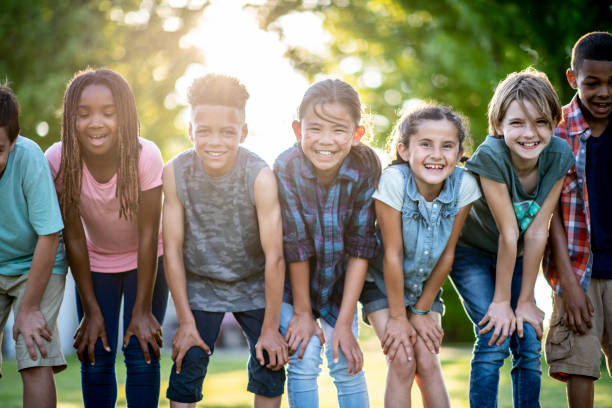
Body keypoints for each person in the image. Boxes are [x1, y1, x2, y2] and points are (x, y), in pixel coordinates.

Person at [449, 68, 574, 408]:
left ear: (554, 123)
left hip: (518, 253)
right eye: (517, 123)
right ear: (499, 124)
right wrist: (503, 303)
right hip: (471, 251)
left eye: (541, 122)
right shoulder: (491, 156)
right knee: (495, 334)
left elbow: (537, 230)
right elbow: (508, 230)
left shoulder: (559, 155)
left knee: (529, 338)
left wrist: (525, 302)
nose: (530, 134)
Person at [163, 74, 287, 408]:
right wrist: (186, 322)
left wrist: (272, 328)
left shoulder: (259, 176)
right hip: (200, 285)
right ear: (191, 130)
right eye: (203, 131)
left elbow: (275, 256)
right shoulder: (175, 172)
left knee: (270, 366)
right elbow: (171, 250)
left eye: (227, 132)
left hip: (254, 284)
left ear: (242, 133)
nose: (214, 141)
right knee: (185, 367)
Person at [46, 68, 168, 408]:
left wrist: (142, 309)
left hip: (148, 260)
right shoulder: (58, 159)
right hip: (95, 262)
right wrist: (91, 309)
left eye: (108, 113)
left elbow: (148, 235)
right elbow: (72, 237)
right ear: (71, 119)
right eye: (83, 114)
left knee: (141, 351)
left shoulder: (146, 155)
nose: (95, 122)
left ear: (124, 116)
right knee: (95, 352)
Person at [361, 104, 481, 407]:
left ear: (459, 153)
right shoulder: (393, 182)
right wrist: (400, 317)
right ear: (403, 150)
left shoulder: (464, 185)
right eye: (425, 144)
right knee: (402, 360)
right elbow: (392, 253)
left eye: (447, 146)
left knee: (427, 361)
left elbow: (448, 252)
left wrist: (423, 309)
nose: (437, 155)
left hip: (425, 285)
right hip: (382, 282)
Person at [274, 79, 381, 408]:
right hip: (294, 285)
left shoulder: (366, 166)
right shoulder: (287, 166)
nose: (325, 141)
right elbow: (295, 243)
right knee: (303, 359)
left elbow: (361, 246)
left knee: (345, 359)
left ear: (357, 134)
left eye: (338, 130)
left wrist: (346, 322)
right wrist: (303, 313)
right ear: (298, 129)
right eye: (315, 128)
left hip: (340, 282)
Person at [543, 31, 612, 408]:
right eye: (593, 83)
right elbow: (547, 211)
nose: (604, 92)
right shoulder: (557, 133)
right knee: (580, 365)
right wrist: (568, 284)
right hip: (578, 273)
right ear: (573, 79)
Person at [0, 84, 67, 408]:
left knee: (33, 350)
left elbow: (50, 235)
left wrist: (28, 309)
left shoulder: (29, 159)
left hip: (36, 262)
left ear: (14, 141)